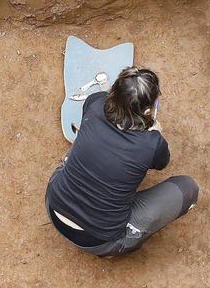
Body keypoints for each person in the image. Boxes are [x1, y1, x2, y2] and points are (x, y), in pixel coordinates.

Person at [45, 67, 199, 256]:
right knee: (187, 188)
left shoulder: (95, 103)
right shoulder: (151, 144)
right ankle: (115, 249)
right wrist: (155, 133)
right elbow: (161, 162)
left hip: (54, 205)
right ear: (148, 110)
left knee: (85, 147)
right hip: (99, 240)